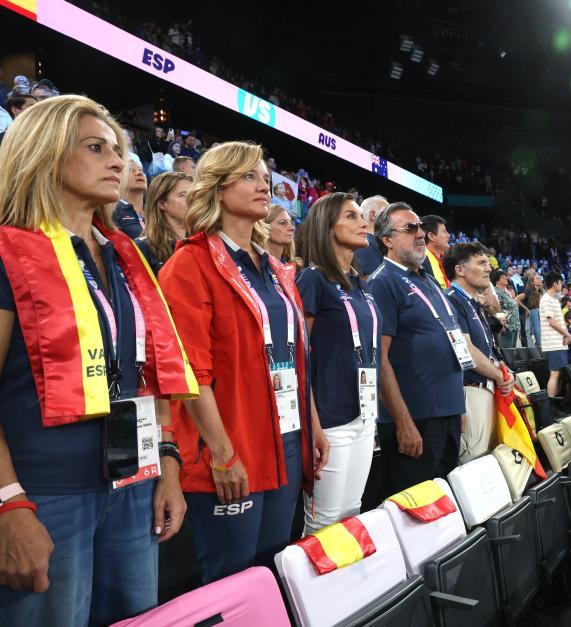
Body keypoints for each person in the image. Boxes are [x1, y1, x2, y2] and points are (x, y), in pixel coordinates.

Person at [0, 95, 197, 625]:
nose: (118, 161)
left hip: (134, 484)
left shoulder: (127, 257)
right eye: (96, 147)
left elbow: (149, 373)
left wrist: (170, 465)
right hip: (45, 494)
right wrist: (8, 504)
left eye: (118, 149)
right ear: (43, 153)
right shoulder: (7, 250)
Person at [160, 141, 328, 583]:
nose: (264, 186)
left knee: (272, 570)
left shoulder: (275, 269)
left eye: (266, 178)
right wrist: (221, 451)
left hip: (286, 441)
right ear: (217, 187)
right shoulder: (189, 264)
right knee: (231, 579)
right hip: (231, 447)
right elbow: (191, 374)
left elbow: (294, 358)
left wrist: (312, 423)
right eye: (249, 176)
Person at [295, 192, 382, 533]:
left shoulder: (361, 284)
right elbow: (299, 358)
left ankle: (343, 587)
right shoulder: (313, 279)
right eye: (351, 216)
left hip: (363, 416)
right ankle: (308, 588)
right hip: (329, 422)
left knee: (352, 514)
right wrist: (314, 424)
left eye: (362, 216)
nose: (363, 223)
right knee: (323, 523)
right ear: (327, 227)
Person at [368, 203, 467, 496]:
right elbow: (380, 358)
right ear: (387, 239)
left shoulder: (427, 280)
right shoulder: (382, 282)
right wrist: (402, 422)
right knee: (417, 511)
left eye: (421, 228)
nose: (420, 234)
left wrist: (457, 405)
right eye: (410, 228)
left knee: (445, 508)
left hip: (446, 414)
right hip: (416, 420)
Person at [444, 242, 515, 464]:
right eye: (481, 263)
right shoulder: (452, 300)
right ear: (460, 270)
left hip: (487, 389)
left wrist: (504, 371)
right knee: (473, 462)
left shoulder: (472, 303)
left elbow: (487, 349)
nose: (488, 268)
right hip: (471, 391)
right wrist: (498, 375)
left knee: (487, 459)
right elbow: (466, 351)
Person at [134, 171, 191, 274]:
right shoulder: (142, 248)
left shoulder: (200, 243)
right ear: (162, 204)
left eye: (193, 195)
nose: (192, 200)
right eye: (183, 195)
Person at [540, 271, 571, 397]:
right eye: (560, 283)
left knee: (558, 374)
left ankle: (556, 402)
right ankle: (551, 404)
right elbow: (552, 322)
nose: (562, 286)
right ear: (555, 284)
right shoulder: (546, 299)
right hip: (553, 343)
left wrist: (565, 334)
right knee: (555, 374)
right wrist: (567, 334)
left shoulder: (553, 299)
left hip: (558, 342)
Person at [353, 195, 388, 279]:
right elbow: (371, 283)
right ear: (373, 215)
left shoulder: (374, 244)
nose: (393, 219)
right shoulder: (365, 245)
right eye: (387, 213)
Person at [112, 160, 148, 239]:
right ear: (118, 178)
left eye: (141, 170)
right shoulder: (113, 210)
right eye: (130, 170)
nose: (139, 173)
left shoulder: (155, 212)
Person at [492, 268, 521, 349]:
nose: (506, 278)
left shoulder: (505, 292)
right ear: (497, 281)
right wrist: (502, 326)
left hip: (514, 326)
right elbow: (496, 308)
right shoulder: (497, 292)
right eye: (503, 277)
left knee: (512, 354)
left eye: (506, 276)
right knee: (507, 353)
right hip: (507, 328)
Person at [421, 214, 451, 289]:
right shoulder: (421, 261)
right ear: (431, 236)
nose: (449, 235)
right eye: (444, 231)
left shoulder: (442, 260)